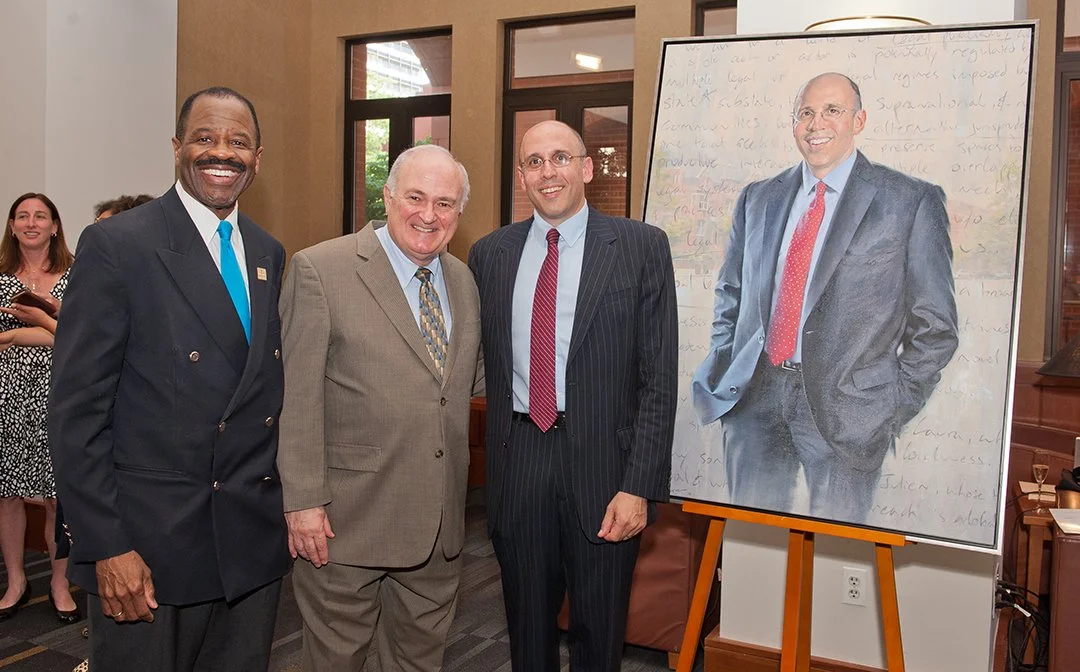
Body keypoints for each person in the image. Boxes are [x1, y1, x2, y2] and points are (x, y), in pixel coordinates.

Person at [47, 87, 290, 671]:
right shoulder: (118, 245)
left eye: (238, 142)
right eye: (205, 138)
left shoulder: (268, 251)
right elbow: (77, 414)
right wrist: (106, 545)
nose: (221, 153)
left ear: (258, 159)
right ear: (178, 147)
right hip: (149, 550)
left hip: (246, 549)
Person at [690, 72, 960, 523]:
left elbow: (935, 326)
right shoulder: (758, 198)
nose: (817, 123)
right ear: (793, 123)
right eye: (806, 113)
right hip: (754, 401)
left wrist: (890, 406)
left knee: (838, 564)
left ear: (859, 120)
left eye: (832, 110)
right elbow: (731, 293)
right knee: (751, 548)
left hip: (848, 414)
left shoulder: (909, 201)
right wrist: (725, 355)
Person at [468, 120, 678, 672]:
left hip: (606, 471)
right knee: (526, 634)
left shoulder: (640, 247)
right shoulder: (489, 255)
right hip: (519, 460)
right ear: (522, 177)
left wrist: (639, 485)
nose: (548, 171)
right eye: (534, 162)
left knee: (598, 634)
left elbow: (659, 379)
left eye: (560, 158)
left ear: (585, 169)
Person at [277, 144, 483, 671]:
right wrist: (302, 502)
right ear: (388, 197)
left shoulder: (463, 281)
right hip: (344, 524)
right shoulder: (320, 269)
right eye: (415, 197)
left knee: (419, 663)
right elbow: (296, 396)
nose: (428, 215)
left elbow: (460, 382)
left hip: (438, 528)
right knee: (333, 663)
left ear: (459, 212)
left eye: (444, 203)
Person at [0, 193, 77, 623]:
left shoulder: (78, 272)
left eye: (40, 216)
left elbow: (85, 336)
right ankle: (16, 580)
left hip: (62, 392)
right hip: (6, 396)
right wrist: (45, 331)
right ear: (12, 227)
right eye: (22, 216)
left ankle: (60, 582)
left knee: (55, 497)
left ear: (54, 226)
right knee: (6, 494)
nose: (31, 222)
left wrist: (13, 335)